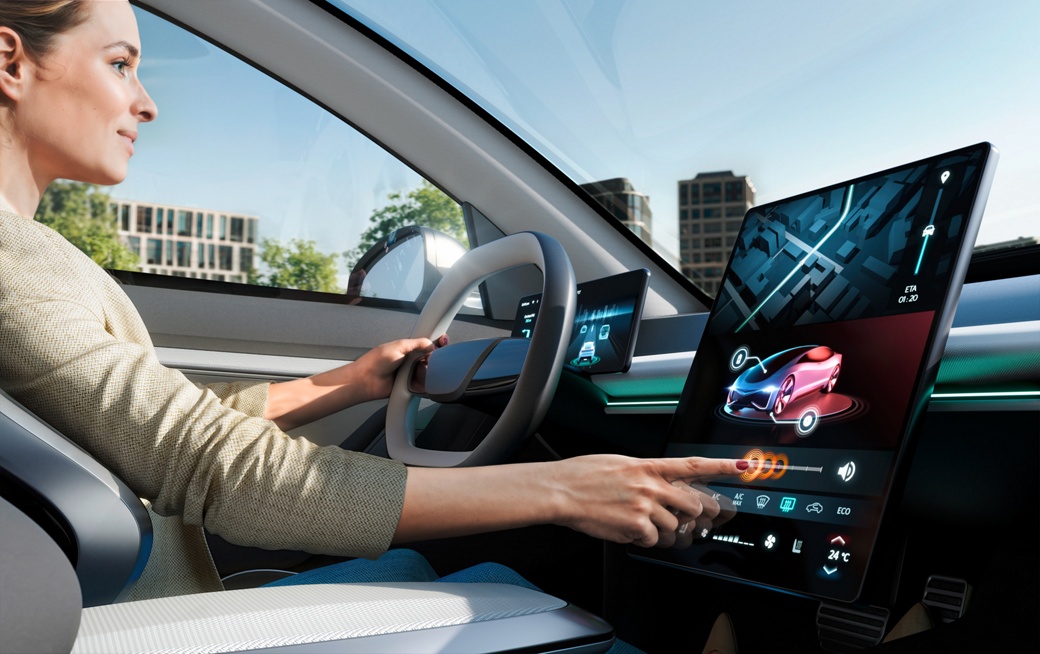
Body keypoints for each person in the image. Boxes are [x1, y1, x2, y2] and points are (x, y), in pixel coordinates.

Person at [0, 0, 745, 602]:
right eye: (121, 64)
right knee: (506, 588)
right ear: (11, 61)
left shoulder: (30, 252)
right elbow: (220, 470)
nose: (147, 103)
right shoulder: (12, 262)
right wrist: (566, 489)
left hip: (155, 603)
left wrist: (347, 383)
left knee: (428, 572)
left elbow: (148, 426)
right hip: (159, 624)